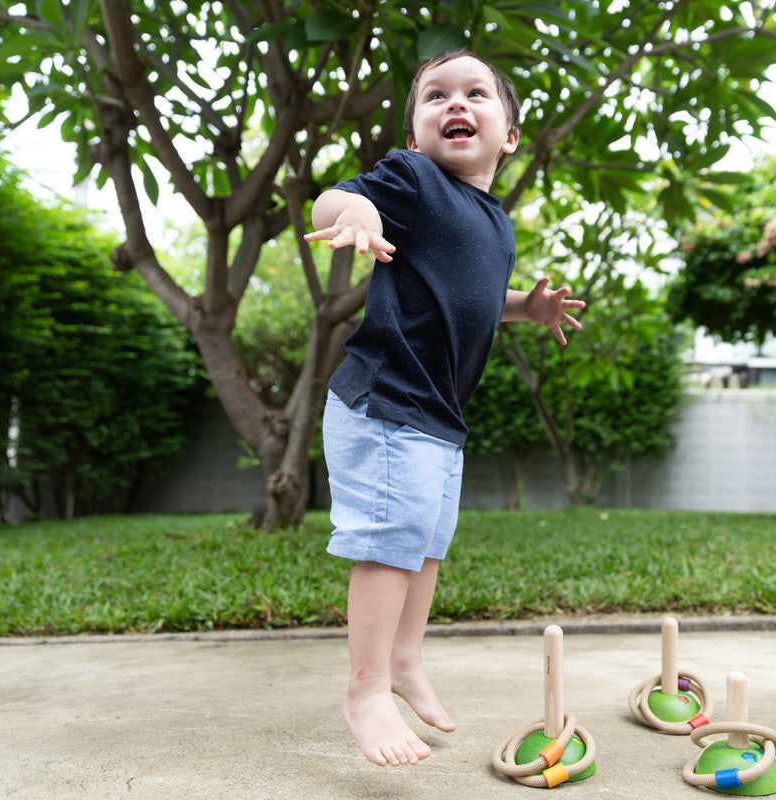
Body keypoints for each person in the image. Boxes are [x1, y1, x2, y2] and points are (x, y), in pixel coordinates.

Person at [304, 48, 584, 768]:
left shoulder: (492, 219)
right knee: (390, 540)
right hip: (387, 398)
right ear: (413, 136)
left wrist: (529, 305)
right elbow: (330, 201)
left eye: (475, 93)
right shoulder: (415, 179)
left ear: (510, 135)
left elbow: (480, 300)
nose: (455, 104)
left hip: (435, 415)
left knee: (426, 543)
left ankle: (403, 663)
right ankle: (365, 689)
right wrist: (358, 212)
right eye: (435, 96)